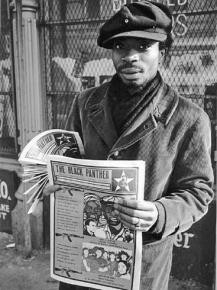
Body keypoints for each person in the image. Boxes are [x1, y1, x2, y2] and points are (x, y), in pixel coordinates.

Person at [45, 2, 214, 290]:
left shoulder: (190, 118)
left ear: (163, 52)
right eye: (121, 46)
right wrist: (53, 180)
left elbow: (198, 192)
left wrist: (159, 214)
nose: (130, 56)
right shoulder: (85, 103)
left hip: (141, 267)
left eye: (144, 46)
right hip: (81, 263)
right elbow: (66, 158)